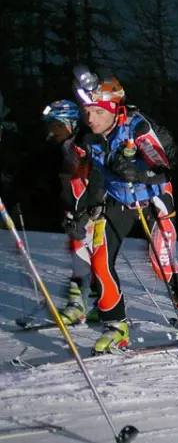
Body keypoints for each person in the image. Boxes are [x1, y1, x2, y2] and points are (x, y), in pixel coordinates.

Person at [68, 67, 178, 354]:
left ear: (112, 108)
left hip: (153, 200)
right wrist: (81, 211)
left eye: (96, 111)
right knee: (100, 262)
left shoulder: (136, 127)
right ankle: (116, 326)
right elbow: (91, 177)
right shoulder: (88, 138)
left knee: (162, 265)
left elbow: (162, 170)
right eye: (86, 111)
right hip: (117, 201)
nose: (90, 118)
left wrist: (137, 172)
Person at [41, 100, 101, 325]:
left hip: (92, 209)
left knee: (86, 252)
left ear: (71, 123)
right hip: (77, 209)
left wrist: (83, 211)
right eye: (50, 125)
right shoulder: (63, 146)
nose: (52, 131)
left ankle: (82, 304)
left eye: (56, 125)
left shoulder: (83, 144)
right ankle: (91, 302)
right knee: (80, 251)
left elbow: (89, 180)